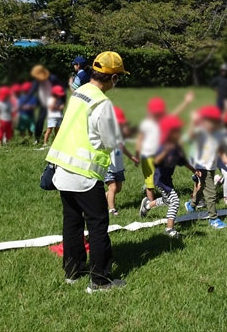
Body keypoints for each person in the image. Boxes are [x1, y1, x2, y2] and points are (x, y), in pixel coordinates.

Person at [46, 51, 129, 293]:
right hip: (85, 173)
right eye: (118, 78)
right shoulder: (102, 103)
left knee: (72, 222)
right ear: (112, 77)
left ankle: (73, 271)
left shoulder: (79, 92)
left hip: (63, 169)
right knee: (98, 223)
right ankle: (100, 280)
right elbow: (111, 140)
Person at [140, 115, 200, 238]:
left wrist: (194, 170)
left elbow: (183, 161)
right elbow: (156, 161)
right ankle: (169, 229)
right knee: (175, 201)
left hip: (167, 179)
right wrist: (167, 150)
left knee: (167, 200)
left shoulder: (177, 147)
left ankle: (147, 205)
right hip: (160, 179)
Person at [135, 92, 194, 203]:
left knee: (158, 176)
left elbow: (174, 114)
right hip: (147, 156)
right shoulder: (146, 124)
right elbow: (139, 139)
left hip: (158, 154)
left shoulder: (163, 121)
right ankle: (150, 203)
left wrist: (186, 102)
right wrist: (137, 155)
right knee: (149, 183)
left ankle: (162, 197)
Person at [185, 105, 227, 229]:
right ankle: (213, 219)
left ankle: (191, 205)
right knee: (211, 193)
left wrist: (224, 157)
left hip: (211, 165)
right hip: (201, 166)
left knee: (203, 188)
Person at [106, 106, 139, 216]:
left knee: (118, 189)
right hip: (108, 167)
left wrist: (131, 157)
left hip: (118, 167)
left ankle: (104, 197)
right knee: (113, 187)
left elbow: (122, 148)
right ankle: (112, 209)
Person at [24, 65, 62, 144]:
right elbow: (31, 92)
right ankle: (37, 138)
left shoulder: (52, 79)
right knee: (40, 121)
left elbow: (60, 90)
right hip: (43, 103)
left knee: (56, 122)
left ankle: (56, 140)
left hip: (53, 103)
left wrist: (61, 102)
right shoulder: (37, 81)